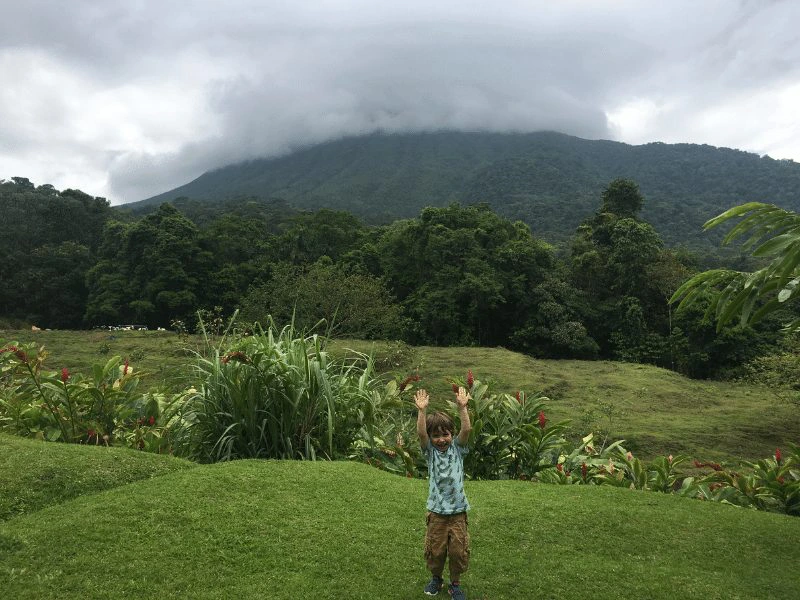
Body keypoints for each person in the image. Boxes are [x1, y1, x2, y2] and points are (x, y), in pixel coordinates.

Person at [415, 386, 471, 600]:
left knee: (458, 551)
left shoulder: (458, 448)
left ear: (451, 434)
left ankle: (455, 584)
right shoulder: (430, 453)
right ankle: (436, 579)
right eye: (436, 436)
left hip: (458, 512)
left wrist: (462, 408)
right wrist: (422, 411)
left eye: (445, 434)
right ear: (431, 438)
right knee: (436, 551)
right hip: (437, 512)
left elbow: (466, 430)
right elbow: (420, 433)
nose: (441, 440)